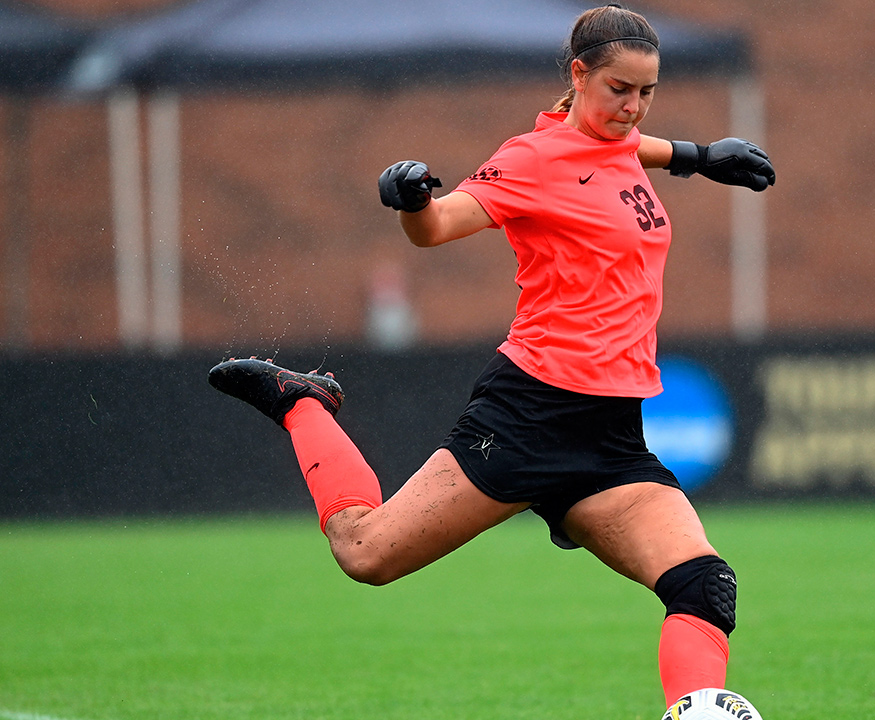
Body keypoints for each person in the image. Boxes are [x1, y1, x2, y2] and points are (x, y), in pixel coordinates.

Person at [207, 3, 775, 710]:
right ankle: (302, 403)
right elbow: (438, 228)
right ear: (579, 74)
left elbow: (632, 150)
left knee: (703, 586)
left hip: (611, 438)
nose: (633, 107)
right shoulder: (530, 158)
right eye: (619, 90)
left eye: (647, 91)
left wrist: (698, 157)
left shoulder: (621, 143)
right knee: (365, 554)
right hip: (526, 417)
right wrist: (413, 199)